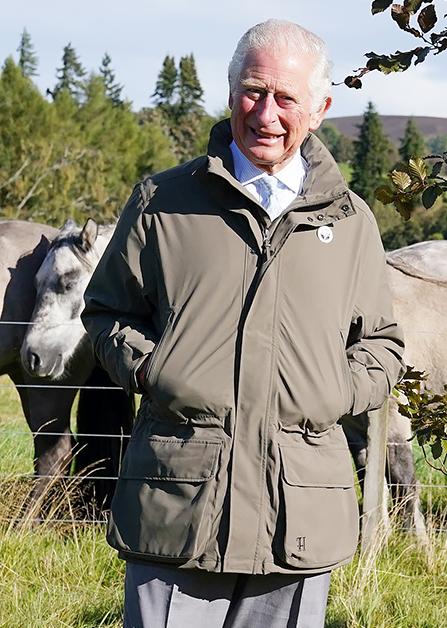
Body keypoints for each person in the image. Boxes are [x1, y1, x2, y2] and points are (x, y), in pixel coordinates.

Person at [81, 19, 405, 628]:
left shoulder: (351, 220)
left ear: (320, 109)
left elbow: (381, 345)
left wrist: (334, 392)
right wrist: (154, 369)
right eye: (254, 92)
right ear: (231, 95)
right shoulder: (162, 202)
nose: (267, 114)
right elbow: (105, 312)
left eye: (287, 99)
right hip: (178, 502)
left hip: (298, 510)